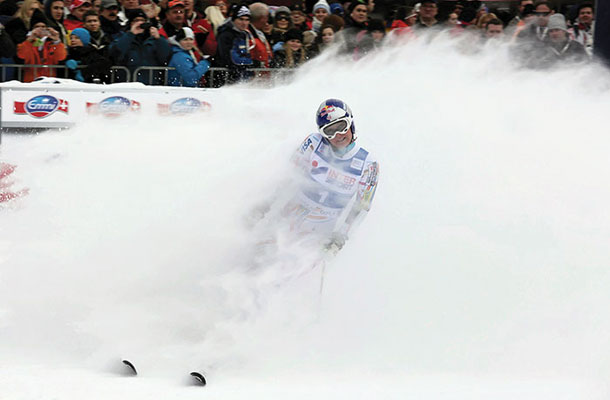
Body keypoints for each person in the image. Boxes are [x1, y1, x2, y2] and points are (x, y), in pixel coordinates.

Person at [285, 99, 379, 250]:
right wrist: (266, 207)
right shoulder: (314, 142)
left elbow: (362, 206)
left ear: (351, 123)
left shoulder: (369, 164)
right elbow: (288, 175)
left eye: (342, 127)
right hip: (290, 216)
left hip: (320, 231)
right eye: (330, 131)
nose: (338, 135)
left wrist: (340, 237)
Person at [109, 9, 171, 84]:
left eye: (142, 20)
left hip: (152, 83)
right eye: (136, 20)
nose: (140, 23)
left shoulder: (155, 39)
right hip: (127, 84)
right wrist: (131, 34)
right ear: (131, 23)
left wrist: (159, 39)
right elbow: (115, 54)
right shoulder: (122, 37)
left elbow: (165, 58)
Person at [16, 9, 67, 82]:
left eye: (43, 27)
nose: (40, 29)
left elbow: (60, 58)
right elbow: (23, 57)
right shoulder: (25, 43)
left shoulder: (52, 44)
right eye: (37, 27)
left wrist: (57, 41)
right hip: (30, 82)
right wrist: (29, 40)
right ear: (32, 29)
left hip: (50, 82)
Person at [215, 3, 255, 83]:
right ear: (234, 19)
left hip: (242, 77)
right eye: (241, 19)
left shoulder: (244, 34)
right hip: (226, 79)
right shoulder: (226, 34)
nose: (244, 23)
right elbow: (230, 59)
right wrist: (251, 63)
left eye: (247, 20)